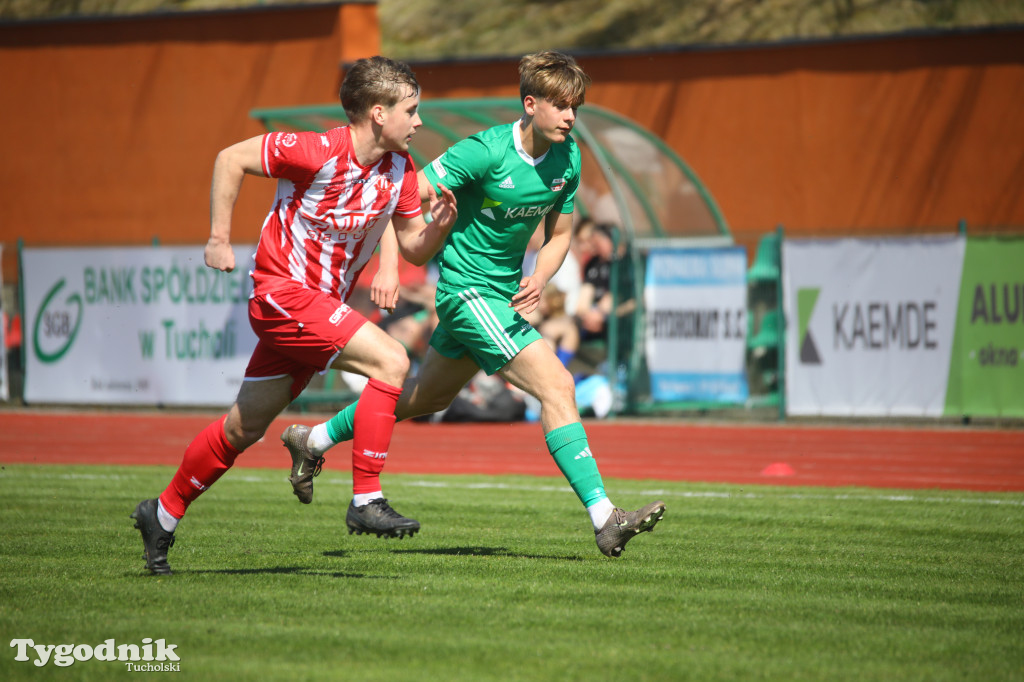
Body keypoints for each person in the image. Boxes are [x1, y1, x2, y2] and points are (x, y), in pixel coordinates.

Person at [282, 51, 664, 558]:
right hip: (467, 293)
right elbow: (398, 196)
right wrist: (391, 264)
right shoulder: (484, 152)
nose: (571, 116)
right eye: (561, 105)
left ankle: (312, 440)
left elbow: (560, 235)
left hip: (499, 296)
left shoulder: (568, 157)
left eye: (576, 106)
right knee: (557, 385)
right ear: (531, 104)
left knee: (425, 398)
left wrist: (540, 276)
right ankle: (605, 518)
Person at [129, 56, 458, 575]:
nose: (418, 121)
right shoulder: (316, 150)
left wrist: (438, 228)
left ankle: (162, 514)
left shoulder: (400, 168)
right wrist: (218, 237)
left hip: (318, 311)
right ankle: (366, 498)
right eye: (411, 110)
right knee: (392, 361)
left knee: (242, 429)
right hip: (282, 294)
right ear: (378, 113)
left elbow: (415, 246)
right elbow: (230, 158)